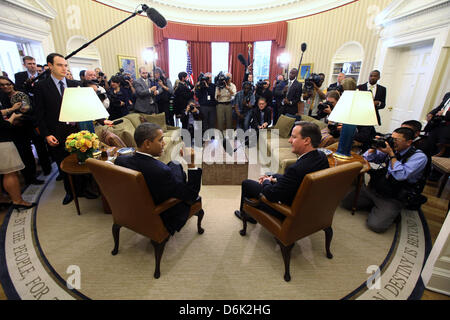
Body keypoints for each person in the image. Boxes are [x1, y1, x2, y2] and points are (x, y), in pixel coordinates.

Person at [115, 123, 202, 235]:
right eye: (160, 140)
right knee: (179, 175)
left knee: (175, 164)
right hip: (161, 211)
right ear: (147, 143)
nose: (164, 143)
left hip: (135, 204)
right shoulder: (161, 171)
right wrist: (191, 164)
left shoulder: (120, 160)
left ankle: (179, 181)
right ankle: (180, 183)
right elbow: (191, 195)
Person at [234, 121, 329, 223]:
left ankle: (245, 214)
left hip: (286, 210)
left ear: (307, 140)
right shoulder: (322, 157)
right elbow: (294, 180)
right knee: (271, 174)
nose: (289, 140)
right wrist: (273, 178)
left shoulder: (295, 169)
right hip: (307, 206)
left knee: (247, 183)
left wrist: (266, 181)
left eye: (293, 137)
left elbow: (272, 195)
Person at [34, 53, 96, 205]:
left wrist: (101, 119)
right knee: (64, 164)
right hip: (56, 133)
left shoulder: (74, 84)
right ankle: (70, 192)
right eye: (59, 65)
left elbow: (85, 108)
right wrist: (46, 135)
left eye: (65, 65)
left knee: (81, 161)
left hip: (76, 131)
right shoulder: (41, 86)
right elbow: (39, 114)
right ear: (50, 66)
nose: (63, 68)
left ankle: (84, 189)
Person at [342, 127, 428, 233]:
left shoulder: (419, 157)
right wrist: (374, 147)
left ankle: (388, 211)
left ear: (409, 142)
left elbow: (400, 175)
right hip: (375, 189)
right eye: (392, 138)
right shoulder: (390, 147)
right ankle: (376, 207)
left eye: (397, 140)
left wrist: (391, 154)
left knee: (376, 226)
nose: (393, 142)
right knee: (345, 203)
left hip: (393, 196)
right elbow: (366, 158)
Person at [0, 76, 51, 184]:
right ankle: (30, 177)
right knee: (24, 154)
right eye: (2, 85)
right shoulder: (2, 97)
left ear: (12, 84)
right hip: (13, 130)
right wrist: (12, 114)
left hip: (29, 125)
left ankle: (46, 169)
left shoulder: (21, 94)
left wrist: (22, 112)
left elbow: (30, 108)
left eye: (8, 84)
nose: (6, 86)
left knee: (40, 147)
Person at [0, 113, 37, 210]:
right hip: (3, 143)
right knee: (10, 174)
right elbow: (4, 126)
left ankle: (2, 199)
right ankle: (18, 201)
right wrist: (13, 116)